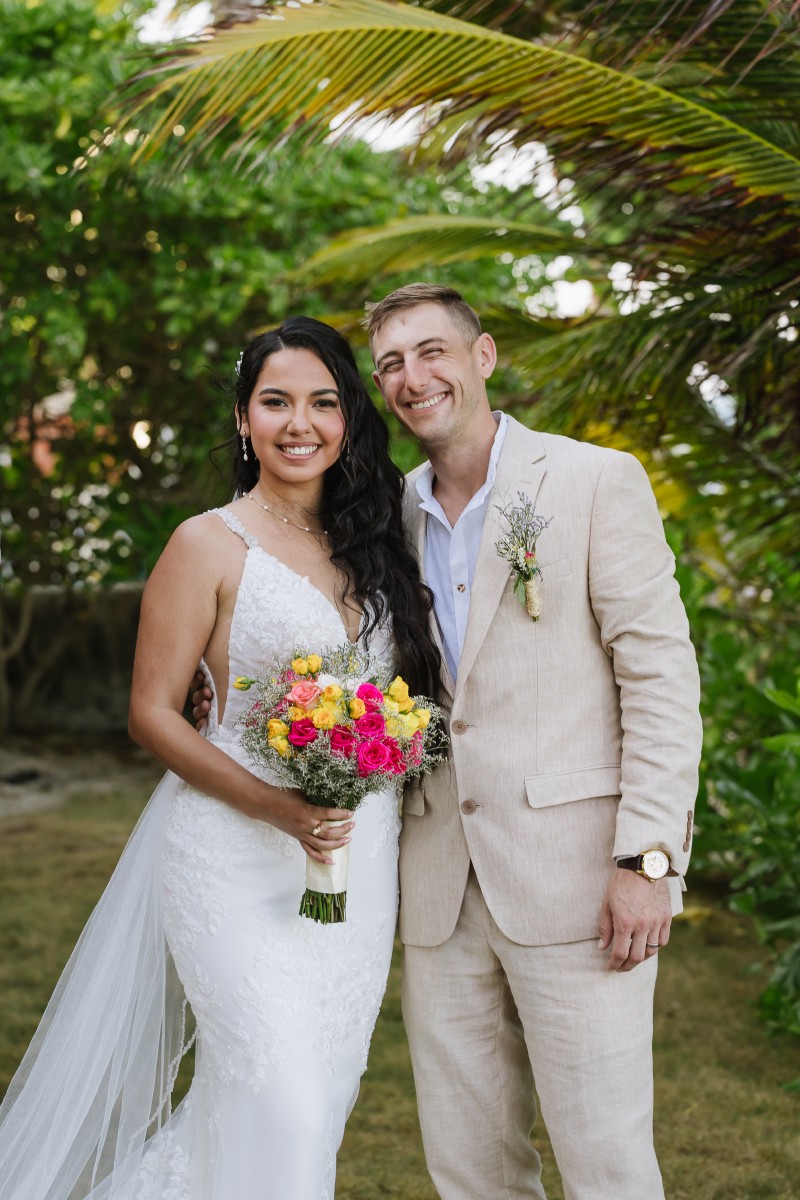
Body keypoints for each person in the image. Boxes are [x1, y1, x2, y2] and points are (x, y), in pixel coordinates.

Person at [0, 316, 441, 1200]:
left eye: (322, 402)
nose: (299, 422)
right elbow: (153, 714)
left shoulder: (380, 540)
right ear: (244, 420)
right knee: (278, 1099)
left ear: (349, 416)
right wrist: (282, 807)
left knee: (313, 1102)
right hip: (233, 856)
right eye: (275, 402)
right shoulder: (206, 543)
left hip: (358, 860)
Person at [362, 283, 703, 1200]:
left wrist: (651, 860)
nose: (413, 377)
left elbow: (662, 678)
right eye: (391, 362)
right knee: (469, 1167)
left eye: (432, 351)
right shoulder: (384, 517)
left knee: (606, 1159)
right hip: (438, 883)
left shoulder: (594, 480)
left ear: (483, 356)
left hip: (583, 878)